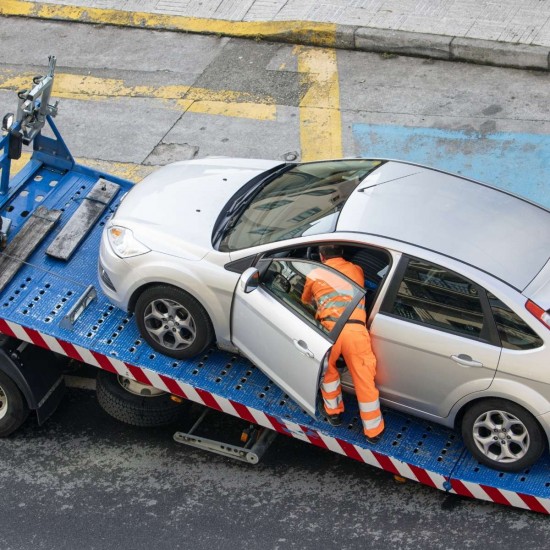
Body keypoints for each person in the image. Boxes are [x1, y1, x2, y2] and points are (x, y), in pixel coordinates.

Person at [301, 244, 384, 444]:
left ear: (321, 257)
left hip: (330, 331)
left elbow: (305, 301)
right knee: (364, 379)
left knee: (328, 373)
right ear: (343, 253)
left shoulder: (314, 275)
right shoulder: (356, 270)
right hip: (355, 330)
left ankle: (334, 413)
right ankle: (373, 432)